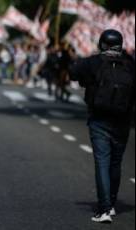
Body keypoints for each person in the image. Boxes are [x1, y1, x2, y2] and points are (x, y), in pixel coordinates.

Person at [69, 29, 135, 223]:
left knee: (103, 162)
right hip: (123, 120)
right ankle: (112, 204)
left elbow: (73, 72)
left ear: (102, 43)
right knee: (116, 163)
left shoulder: (94, 62)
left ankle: (104, 208)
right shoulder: (130, 64)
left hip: (99, 119)